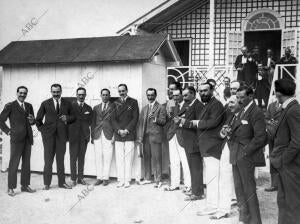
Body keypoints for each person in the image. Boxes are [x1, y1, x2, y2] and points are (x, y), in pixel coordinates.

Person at [186, 82, 225, 215]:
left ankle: (213, 206)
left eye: (205, 91)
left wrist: (197, 123)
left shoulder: (216, 105)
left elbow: (213, 122)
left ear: (212, 90)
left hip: (213, 147)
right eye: (200, 91)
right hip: (207, 147)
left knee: (213, 178)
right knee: (211, 177)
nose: (202, 93)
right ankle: (213, 205)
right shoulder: (208, 104)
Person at [229, 85, 266, 224]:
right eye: (237, 97)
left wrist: (246, 151)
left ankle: (255, 221)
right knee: (239, 188)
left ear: (251, 96)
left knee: (249, 190)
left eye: (241, 97)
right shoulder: (242, 110)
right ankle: (244, 218)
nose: (238, 100)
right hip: (236, 154)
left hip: (246, 156)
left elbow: (261, 137)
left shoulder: (255, 111)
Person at [270, 79, 300, 224]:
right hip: (287, 165)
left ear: (278, 93)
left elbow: (297, 141)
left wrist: (283, 160)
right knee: (283, 201)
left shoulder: (293, 110)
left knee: (292, 204)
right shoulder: (288, 108)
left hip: (290, 166)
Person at [36, 84, 75, 190]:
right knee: (48, 160)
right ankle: (47, 184)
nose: (56, 94)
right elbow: (38, 120)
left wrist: (67, 118)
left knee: (60, 160)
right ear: (51, 92)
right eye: (54, 92)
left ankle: (62, 183)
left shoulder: (68, 103)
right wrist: (43, 131)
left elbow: (74, 117)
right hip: (48, 137)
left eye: (58, 92)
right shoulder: (45, 103)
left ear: (61, 91)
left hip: (62, 136)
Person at [0, 86, 36, 196]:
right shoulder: (10, 106)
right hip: (16, 139)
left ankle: (25, 186)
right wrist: (8, 131)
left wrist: (32, 120)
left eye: (24, 93)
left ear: (26, 94)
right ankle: (11, 188)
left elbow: (32, 121)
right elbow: (1, 120)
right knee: (14, 164)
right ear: (17, 93)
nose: (22, 95)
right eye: (20, 93)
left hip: (27, 139)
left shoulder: (29, 106)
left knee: (26, 164)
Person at [214, 95, 241, 219]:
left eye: (232, 102)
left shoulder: (244, 116)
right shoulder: (230, 116)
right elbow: (221, 134)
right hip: (226, 149)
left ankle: (242, 212)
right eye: (228, 102)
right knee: (224, 179)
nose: (229, 105)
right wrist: (223, 132)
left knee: (238, 181)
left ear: (240, 103)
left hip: (238, 152)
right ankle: (223, 209)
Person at [136, 88, 166, 187]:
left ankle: (158, 180)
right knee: (146, 158)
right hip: (145, 137)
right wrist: (140, 137)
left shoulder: (161, 107)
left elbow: (163, 121)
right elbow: (140, 124)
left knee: (157, 159)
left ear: (155, 95)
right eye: (148, 95)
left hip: (155, 137)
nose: (150, 97)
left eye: (152, 95)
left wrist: (155, 119)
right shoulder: (144, 108)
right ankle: (147, 178)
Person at [178, 87, 204, 200]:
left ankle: (198, 193)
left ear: (193, 94)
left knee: (196, 168)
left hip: (194, 142)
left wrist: (184, 122)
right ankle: (195, 190)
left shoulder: (198, 105)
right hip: (188, 141)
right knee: (192, 167)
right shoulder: (189, 104)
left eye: (186, 95)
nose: (184, 98)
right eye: (183, 95)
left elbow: (200, 124)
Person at [111, 84, 139, 188]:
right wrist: (119, 130)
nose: (122, 93)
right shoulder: (115, 103)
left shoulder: (133, 102)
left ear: (127, 90)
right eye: (120, 91)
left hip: (129, 134)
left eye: (123, 91)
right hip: (118, 134)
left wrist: (127, 130)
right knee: (119, 158)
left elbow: (135, 118)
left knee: (128, 158)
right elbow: (112, 119)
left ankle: (127, 180)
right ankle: (121, 180)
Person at [68, 87, 92, 186]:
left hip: (84, 137)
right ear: (76, 95)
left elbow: (90, 122)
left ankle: (80, 178)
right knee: (73, 158)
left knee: (81, 158)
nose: (81, 96)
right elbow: (66, 121)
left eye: (83, 94)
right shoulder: (70, 107)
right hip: (73, 137)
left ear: (85, 95)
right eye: (79, 94)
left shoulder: (88, 108)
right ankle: (73, 178)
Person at [91, 88, 116, 186]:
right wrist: (92, 136)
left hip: (108, 134)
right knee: (98, 157)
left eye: (106, 95)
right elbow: (93, 123)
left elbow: (115, 122)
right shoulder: (96, 107)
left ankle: (106, 178)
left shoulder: (114, 106)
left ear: (109, 96)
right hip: (97, 134)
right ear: (100, 96)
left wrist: (114, 135)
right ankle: (99, 178)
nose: (105, 96)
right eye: (103, 95)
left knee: (108, 156)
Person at [264, 99, 282, 192]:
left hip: (282, 137)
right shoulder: (271, 105)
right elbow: (266, 118)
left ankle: (283, 185)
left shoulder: (287, 105)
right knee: (272, 159)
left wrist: (278, 124)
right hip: (271, 137)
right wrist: (270, 122)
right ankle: (274, 184)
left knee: (281, 159)